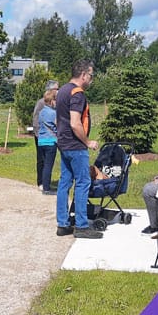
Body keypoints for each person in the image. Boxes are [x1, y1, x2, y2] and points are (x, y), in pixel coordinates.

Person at [55, 59, 101, 239]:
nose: (91, 79)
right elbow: (75, 123)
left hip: (63, 144)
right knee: (83, 183)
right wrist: (88, 142)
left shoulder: (62, 91)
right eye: (91, 75)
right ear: (83, 75)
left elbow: (60, 120)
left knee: (64, 183)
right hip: (75, 146)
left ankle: (63, 224)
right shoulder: (77, 93)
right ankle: (82, 226)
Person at [33, 80, 60, 188]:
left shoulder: (56, 102)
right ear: (51, 90)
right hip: (41, 135)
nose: (58, 90)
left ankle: (46, 182)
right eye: (57, 89)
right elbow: (36, 118)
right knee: (41, 159)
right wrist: (38, 134)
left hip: (51, 136)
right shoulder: (41, 103)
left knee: (48, 161)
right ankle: (41, 182)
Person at [37, 88, 58, 194]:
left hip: (41, 141)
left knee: (45, 164)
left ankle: (45, 184)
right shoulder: (53, 113)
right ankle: (46, 188)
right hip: (51, 141)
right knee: (48, 165)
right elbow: (58, 126)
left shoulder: (41, 112)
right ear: (51, 101)